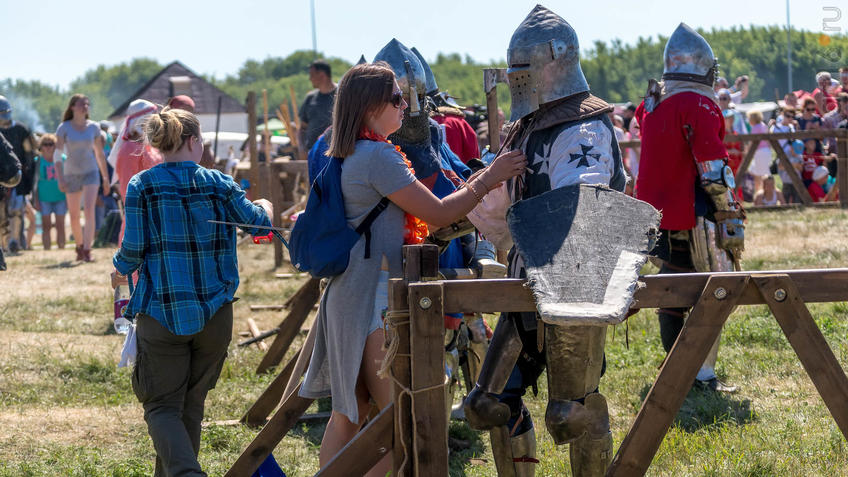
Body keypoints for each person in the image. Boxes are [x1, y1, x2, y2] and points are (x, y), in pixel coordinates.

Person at [298, 62, 526, 477]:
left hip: (351, 293)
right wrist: (489, 177)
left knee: (350, 414)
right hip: (374, 301)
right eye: (396, 98)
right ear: (370, 107)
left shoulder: (349, 151)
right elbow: (439, 214)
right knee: (398, 422)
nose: (406, 107)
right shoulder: (379, 156)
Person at [462, 7, 628, 477]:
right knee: (486, 405)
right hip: (525, 281)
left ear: (553, 62)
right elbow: (499, 208)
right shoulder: (527, 126)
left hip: (576, 287)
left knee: (572, 413)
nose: (517, 79)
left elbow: (582, 210)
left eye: (522, 69)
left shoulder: (583, 127)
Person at [112, 107, 275, 477]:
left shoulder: (142, 185)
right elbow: (259, 224)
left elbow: (133, 250)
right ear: (193, 141)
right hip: (215, 315)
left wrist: (118, 269)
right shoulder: (219, 182)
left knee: (161, 406)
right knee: (190, 403)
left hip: (161, 313)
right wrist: (264, 205)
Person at [635, 23, 743, 394]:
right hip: (694, 210)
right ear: (703, 68)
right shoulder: (697, 103)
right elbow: (711, 166)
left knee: (673, 278)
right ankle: (700, 374)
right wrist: (729, 210)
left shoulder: (651, 102)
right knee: (717, 288)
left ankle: (678, 367)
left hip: (657, 212)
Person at [55, 94, 110, 262]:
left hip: (91, 172)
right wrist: (60, 178)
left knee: (88, 210)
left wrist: (105, 178)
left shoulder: (94, 127)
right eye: (81, 104)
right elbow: (57, 156)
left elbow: (99, 154)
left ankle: (87, 250)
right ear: (72, 107)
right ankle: (79, 246)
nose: (85, 107)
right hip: (70, 173)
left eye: (87, 104)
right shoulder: (64, 128)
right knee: (73, 215)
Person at [107, 99, 163, 243]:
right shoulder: (129, 149)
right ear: (141, 120)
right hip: (139, 213)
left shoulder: (148, 146)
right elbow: (128, 186)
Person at [0, 95, 36, 253]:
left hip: (17, 175)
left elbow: (29, 152)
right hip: (1, 176)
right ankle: (4, 245)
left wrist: (26, 172)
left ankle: (14, 241)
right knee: (1, 214)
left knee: (16, 210)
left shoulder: (21, 129)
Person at [33, 134, 67, 250]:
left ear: (55, 146)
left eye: (50, 144)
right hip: (44, 198)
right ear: (41, 147)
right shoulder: (37, 161)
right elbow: (35, 183)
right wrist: (36, 200)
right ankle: (47, 249)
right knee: (46, 226)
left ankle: (61, 248)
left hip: (61, 197)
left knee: (60, 225)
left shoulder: (62, 158)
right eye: (45, 144)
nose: (48, 147)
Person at [298, 60, 337, 155]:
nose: (310, 78)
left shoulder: (342, 95)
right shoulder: (310, 98)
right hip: (313, 154)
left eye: (312, 75)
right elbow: (302, 129)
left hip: (335, 154)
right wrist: (302, 147)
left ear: (322, 75)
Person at [747, 110, 772, 194]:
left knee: (761, 174)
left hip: (759, 152)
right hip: (766, 151)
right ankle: (761, 191)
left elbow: (752, 141)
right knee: (756, 171)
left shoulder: (755, 127)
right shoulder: (763, 125)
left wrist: (747, 151)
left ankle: (761, 193)